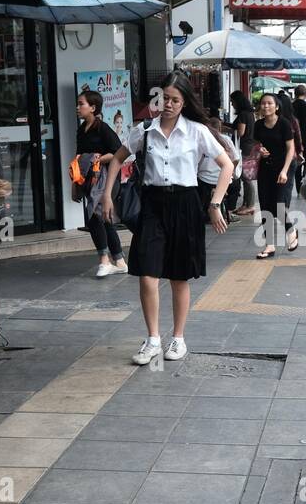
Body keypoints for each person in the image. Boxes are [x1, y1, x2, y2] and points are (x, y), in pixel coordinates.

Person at [100, 73, 234, 365]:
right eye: (165, 99)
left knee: (178, 276)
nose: (169, 104)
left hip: (185, 204)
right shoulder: (144, 130)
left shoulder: (197, 131)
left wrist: (215, 203)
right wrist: (107, 194)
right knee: (146, 273)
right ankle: (152, 340)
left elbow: (227, 165)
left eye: (175, 99)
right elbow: (118, 157)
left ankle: (179, 338)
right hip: (152, 204)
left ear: (184, 101)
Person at [75, 90, 128, 278]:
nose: (78, 107)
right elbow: (79, 157)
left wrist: (99, 159)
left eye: (81, 104)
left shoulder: (103, 128)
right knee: (104, 218)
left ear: (93, 107)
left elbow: (118, 152)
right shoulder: (81, 130)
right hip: (90, 179)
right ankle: (120, 261)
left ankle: (104, 260)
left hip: (106, 178)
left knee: (94, 218)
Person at [253, 92, 298, 259]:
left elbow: (291, 149)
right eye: (263, 103)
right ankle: (269, 245)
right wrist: (260, 150)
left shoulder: (284, 124)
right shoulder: (258, 125)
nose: (265, 106)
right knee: (265, 206)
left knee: (278, 204)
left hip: (282, 168)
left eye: (269, 103)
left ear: (276, 107)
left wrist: (285, 170)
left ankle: (291, 230)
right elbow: (257, 144)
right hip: (265, 168)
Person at [200, 117, 241, 225]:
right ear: (220, 127)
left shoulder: (203, 139)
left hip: (204, 179)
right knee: (236, 187)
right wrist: (231, 173)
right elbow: (236, 159)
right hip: (224, 179)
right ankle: (230, 211)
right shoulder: (225, 139)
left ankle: (204, 211)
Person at [230, 91, 259, 216]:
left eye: (233, 101)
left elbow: (241, 132)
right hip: (250, 146)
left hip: (244, 148)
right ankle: (246, 204)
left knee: (246, 177)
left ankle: (250, 205)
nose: (232, 104)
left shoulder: (243, 114)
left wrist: (228, 129)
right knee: (245, 176)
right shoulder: (250, 113)